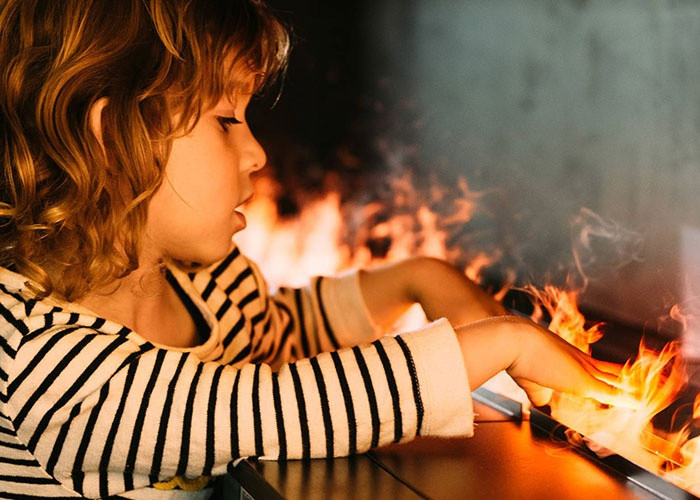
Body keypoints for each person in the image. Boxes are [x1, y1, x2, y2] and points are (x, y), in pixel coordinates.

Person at [0, 0, 633, 497]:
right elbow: (271, 409)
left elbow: (284, 339)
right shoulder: (39, 361)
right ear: (112, 134)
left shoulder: (204, 279)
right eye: (226, 121)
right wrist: (506, 340)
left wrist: (421, 278)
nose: (257, 154)